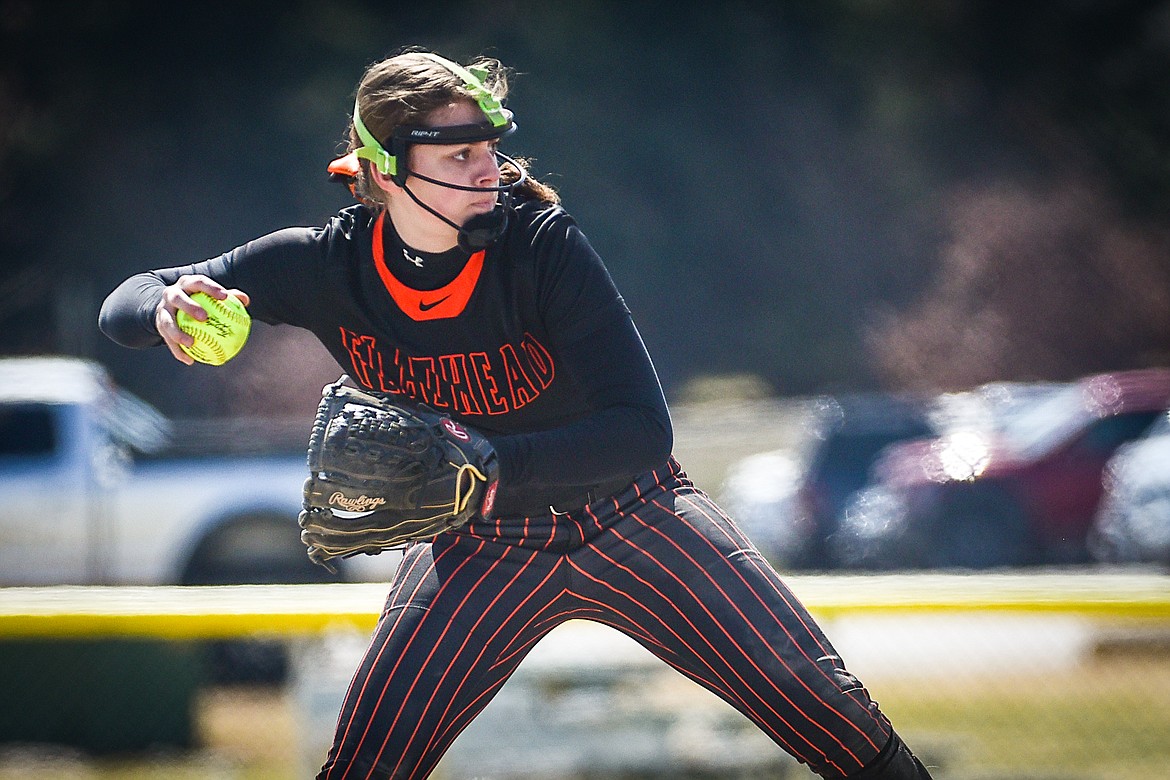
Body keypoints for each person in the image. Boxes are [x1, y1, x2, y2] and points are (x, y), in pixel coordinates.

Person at [99, 47, 933, 780]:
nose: (487, 171)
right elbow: (123, 301)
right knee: (366, 763)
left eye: (488, 151)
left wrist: (494, 465)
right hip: (483, 547)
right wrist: (168, 305)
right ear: (383, 172)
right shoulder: (323, 266)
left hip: (631, 513)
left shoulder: (542, 246)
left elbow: (643, 429)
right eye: (457, 156)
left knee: (829, 714)